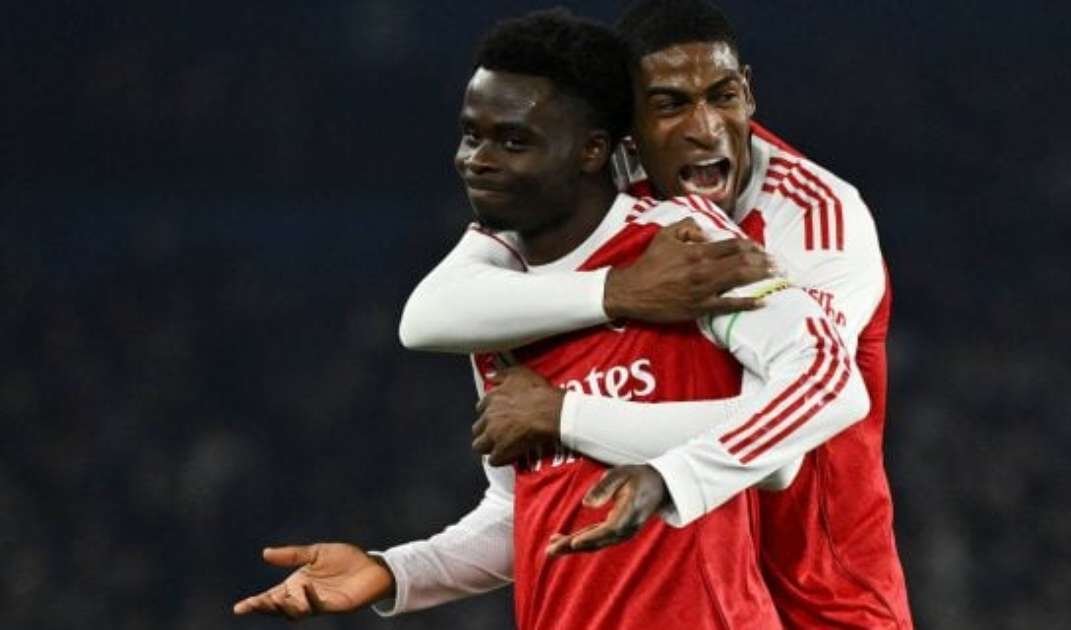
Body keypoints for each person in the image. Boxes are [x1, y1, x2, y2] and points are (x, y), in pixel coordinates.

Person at [233, 9, 868, 629]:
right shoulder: (501, 304)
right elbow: (521, 510)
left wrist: (644, 461)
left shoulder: (691, 249)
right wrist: (393, 571)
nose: (476, 160)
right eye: (471, 135)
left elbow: (829, 384)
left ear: (593, 150)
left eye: (515, 141)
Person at [401, 1, 913, 627]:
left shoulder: (814, 217)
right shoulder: (594, 191)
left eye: (722, 96)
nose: (706, 129)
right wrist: (621, 291)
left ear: (749, 92)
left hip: (828, 597)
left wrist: (563, 416)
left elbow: (791, 428)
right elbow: (429, 314)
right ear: (624, 129)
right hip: (698, 590)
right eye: (670, 105)